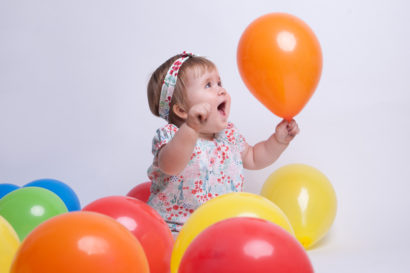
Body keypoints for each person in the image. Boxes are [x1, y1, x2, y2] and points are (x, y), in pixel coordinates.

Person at [146, 52, 299, 236]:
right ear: (181, 110)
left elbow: (254, 157)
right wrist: (191, 128)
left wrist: (277, 141)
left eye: (219, 83)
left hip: (220, 230)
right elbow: (170, 165)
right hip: (174, 229)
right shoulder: (172, 136)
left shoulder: (228, 136)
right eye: (208, 85)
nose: (220, 90)